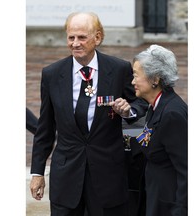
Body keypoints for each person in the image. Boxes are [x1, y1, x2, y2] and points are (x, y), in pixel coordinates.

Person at [29, 12, 148, 216]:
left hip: (108, 177)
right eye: (71, 37)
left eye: (82, 37)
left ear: (98, 38)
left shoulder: (118, 69)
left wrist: (129, 111)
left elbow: (141, 102)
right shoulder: (52, 74)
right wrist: (37, 172)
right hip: (66, 177)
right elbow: (45, 128)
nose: (75, 43)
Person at [126, 44, 188, 216]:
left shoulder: (172, 113)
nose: (132, 82)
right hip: (154, 197)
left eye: (136, 75)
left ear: (155, 79)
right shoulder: (155, 107)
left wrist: (180, 210)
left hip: (168, 206)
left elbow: (186, 169)